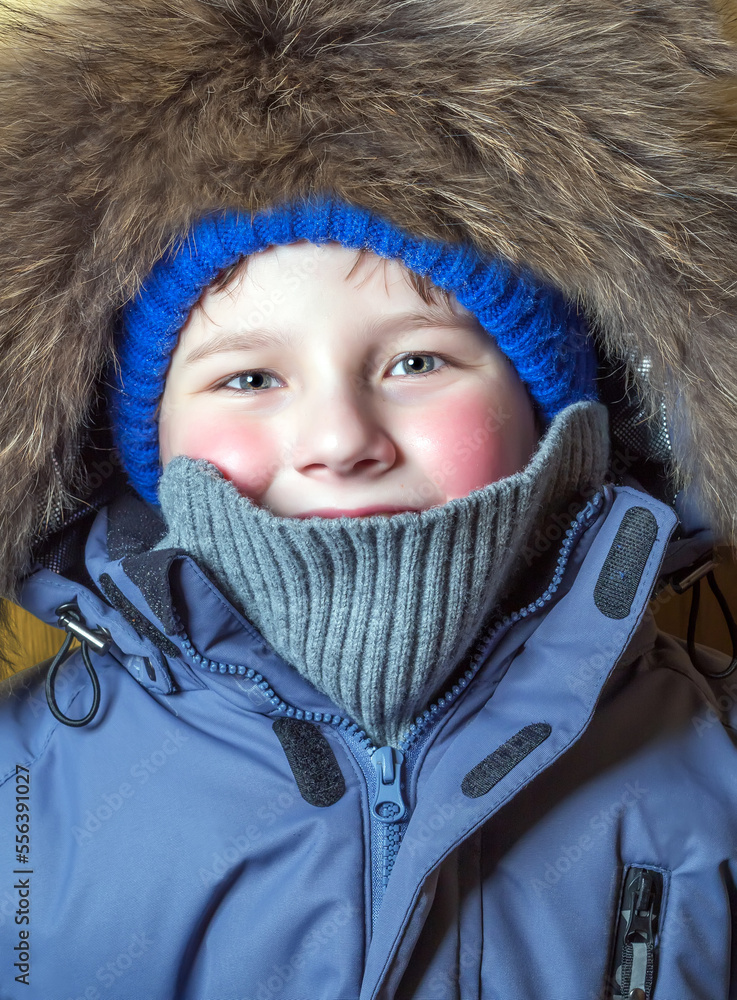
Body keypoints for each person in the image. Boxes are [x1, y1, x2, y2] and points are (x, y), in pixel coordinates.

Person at [1, 1, 737, 998]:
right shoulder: (23, 785)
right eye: (249, 379)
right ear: (144, 445)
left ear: (551, 407)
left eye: (416, 360)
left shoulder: (713, 754)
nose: (341, 439)